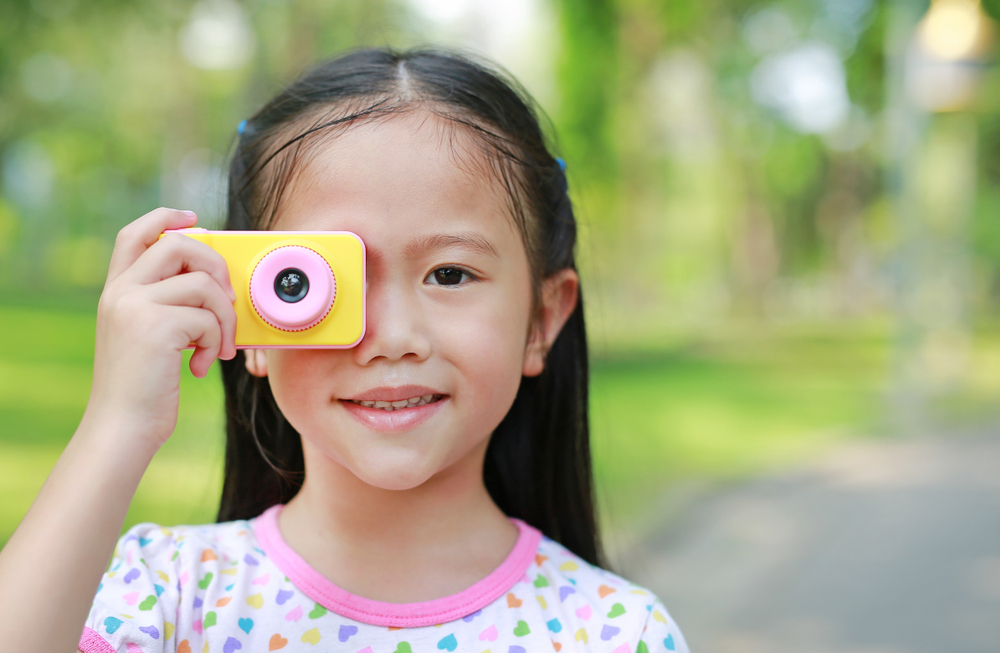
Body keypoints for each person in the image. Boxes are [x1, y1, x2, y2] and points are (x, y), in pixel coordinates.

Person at [0, 48, 689, 653]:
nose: (393, 336)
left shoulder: (613, 633)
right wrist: (117, 424)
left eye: (450, 274)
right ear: (248, 309)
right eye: (313, 281)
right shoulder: (168, 596)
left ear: (542, 318)